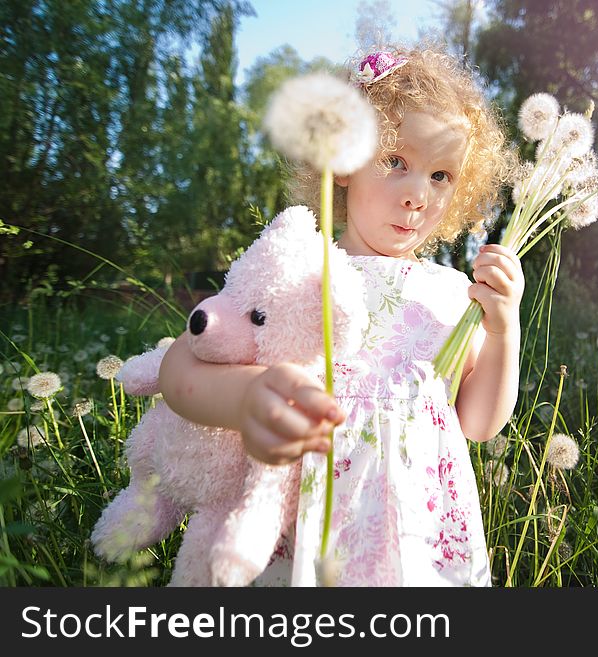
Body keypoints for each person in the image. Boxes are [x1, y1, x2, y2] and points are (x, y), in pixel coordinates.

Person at [158, 46, 522, 586]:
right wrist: (248, 396)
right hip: (307, 521)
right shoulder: (300, 267)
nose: (418, 194)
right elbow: (181, 370)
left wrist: (502, 329)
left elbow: (478, 423)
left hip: (417, 539)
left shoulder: (449, 293)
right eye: (395, 161)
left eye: (441, 175)